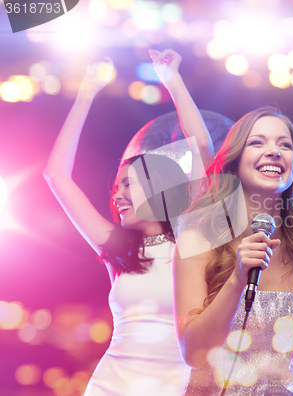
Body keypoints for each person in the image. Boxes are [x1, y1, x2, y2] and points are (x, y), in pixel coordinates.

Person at [43, 49, 214, 396]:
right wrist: (86, 92)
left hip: (176, 387)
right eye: (115, 187)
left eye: (128, 185)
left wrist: (172, 80)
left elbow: (203, 151)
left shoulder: (192, 241)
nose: (117, 196)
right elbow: (56, 175)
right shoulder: (120, 250)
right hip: (110, 386)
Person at [173, 107, 293, 395]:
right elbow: (194, 354)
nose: (274, 151)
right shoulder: (197, 238)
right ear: (234, 162)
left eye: (285, 145)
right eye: (257, 142)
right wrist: (237, 279)